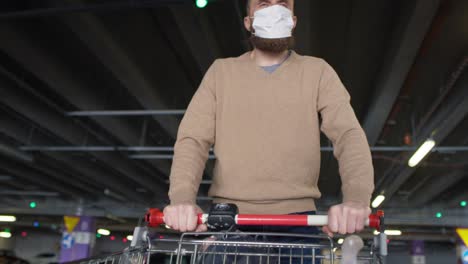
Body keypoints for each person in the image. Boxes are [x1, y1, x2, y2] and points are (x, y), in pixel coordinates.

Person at [164, 0, 374, 246]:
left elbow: (348, 136)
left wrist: (357, 200)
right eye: (264, 4)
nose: (274, 10)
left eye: (283, 4)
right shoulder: (221, 72)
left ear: (293, 21)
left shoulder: (318, 71)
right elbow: (193, 140)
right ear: (248, 22)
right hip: (230, 219)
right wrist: (182, 200)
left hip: (299, 223)